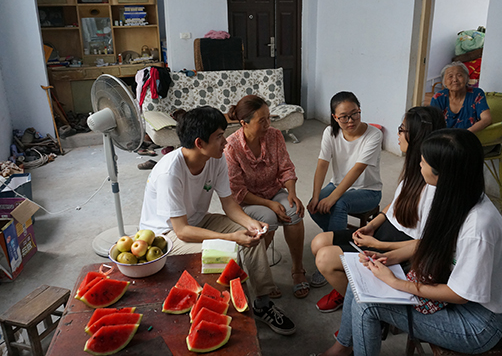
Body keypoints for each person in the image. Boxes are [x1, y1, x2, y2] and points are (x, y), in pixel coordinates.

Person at [317, 128, 502, 356]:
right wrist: (387, 257)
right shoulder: (458, 195)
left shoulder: (478, 227)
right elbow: (431, 243)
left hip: (477, 323)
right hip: (461, 294)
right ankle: (342, 347)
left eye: (424, 161)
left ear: (442, 173)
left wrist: (396, 283)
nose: (419, 163)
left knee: (367, 306)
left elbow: (460, 295)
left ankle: (343, 348)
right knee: (361, 282)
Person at [138, 106, 296, 335]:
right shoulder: (169, 172)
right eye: (220, 136)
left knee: (252, 236)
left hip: (198, 221)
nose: (226, 142)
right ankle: (221, 310)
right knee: (230, 248)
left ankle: (262, 303)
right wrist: (230, 237)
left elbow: (229, 205)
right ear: (200, 143)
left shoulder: (216, 158)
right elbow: (181, 230)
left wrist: (250, 223)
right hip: (166, 235)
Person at [310, 106, 445, 313]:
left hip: (398, 246)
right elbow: (397, 202)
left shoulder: (433, 181)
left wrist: (378, 244)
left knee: (325, 258)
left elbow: (428, 243)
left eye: (402, 129)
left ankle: (364, 309)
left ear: (417, 136)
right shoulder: (416, 167)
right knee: (318, 242)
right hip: (385, 231)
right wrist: (373, 225)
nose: (398, 134)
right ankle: (349, 287)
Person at [224, 95, 309, 299]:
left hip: (273, 190)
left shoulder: (275, 136)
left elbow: (286, 168)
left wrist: (292, 193)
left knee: (293, 211)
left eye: (269, 118)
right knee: (267, 219)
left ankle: (297, 269)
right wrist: (269, 204)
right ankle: (261, 277)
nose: (268, 124)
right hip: (247, 200)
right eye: (262, 120)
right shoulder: (231, 147)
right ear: (244, 123)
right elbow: (238, 191)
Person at [307, 91, 382, 287]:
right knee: (313, 207)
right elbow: (322, 164)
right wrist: (316, 196)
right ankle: (337, 237)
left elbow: (357, 170)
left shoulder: (374, 134)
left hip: (369, 191)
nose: (350, 120)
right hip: (337, 184)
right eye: (344, 117)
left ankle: (337, 258)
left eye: (355, 113)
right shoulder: (330, 132)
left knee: (338, 204)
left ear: (360, 110)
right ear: (335, 117)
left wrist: (332, 198)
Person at [430, 61, 492, 132]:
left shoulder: (476, 94)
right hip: (444, 137)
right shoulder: (438, 97)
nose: (455, 80)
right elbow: (432, 122)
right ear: (444, 82)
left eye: (459, 75)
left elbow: (487, 119)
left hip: (469, 135)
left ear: (467, 78)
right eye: (450, 76)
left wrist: (465, 133)